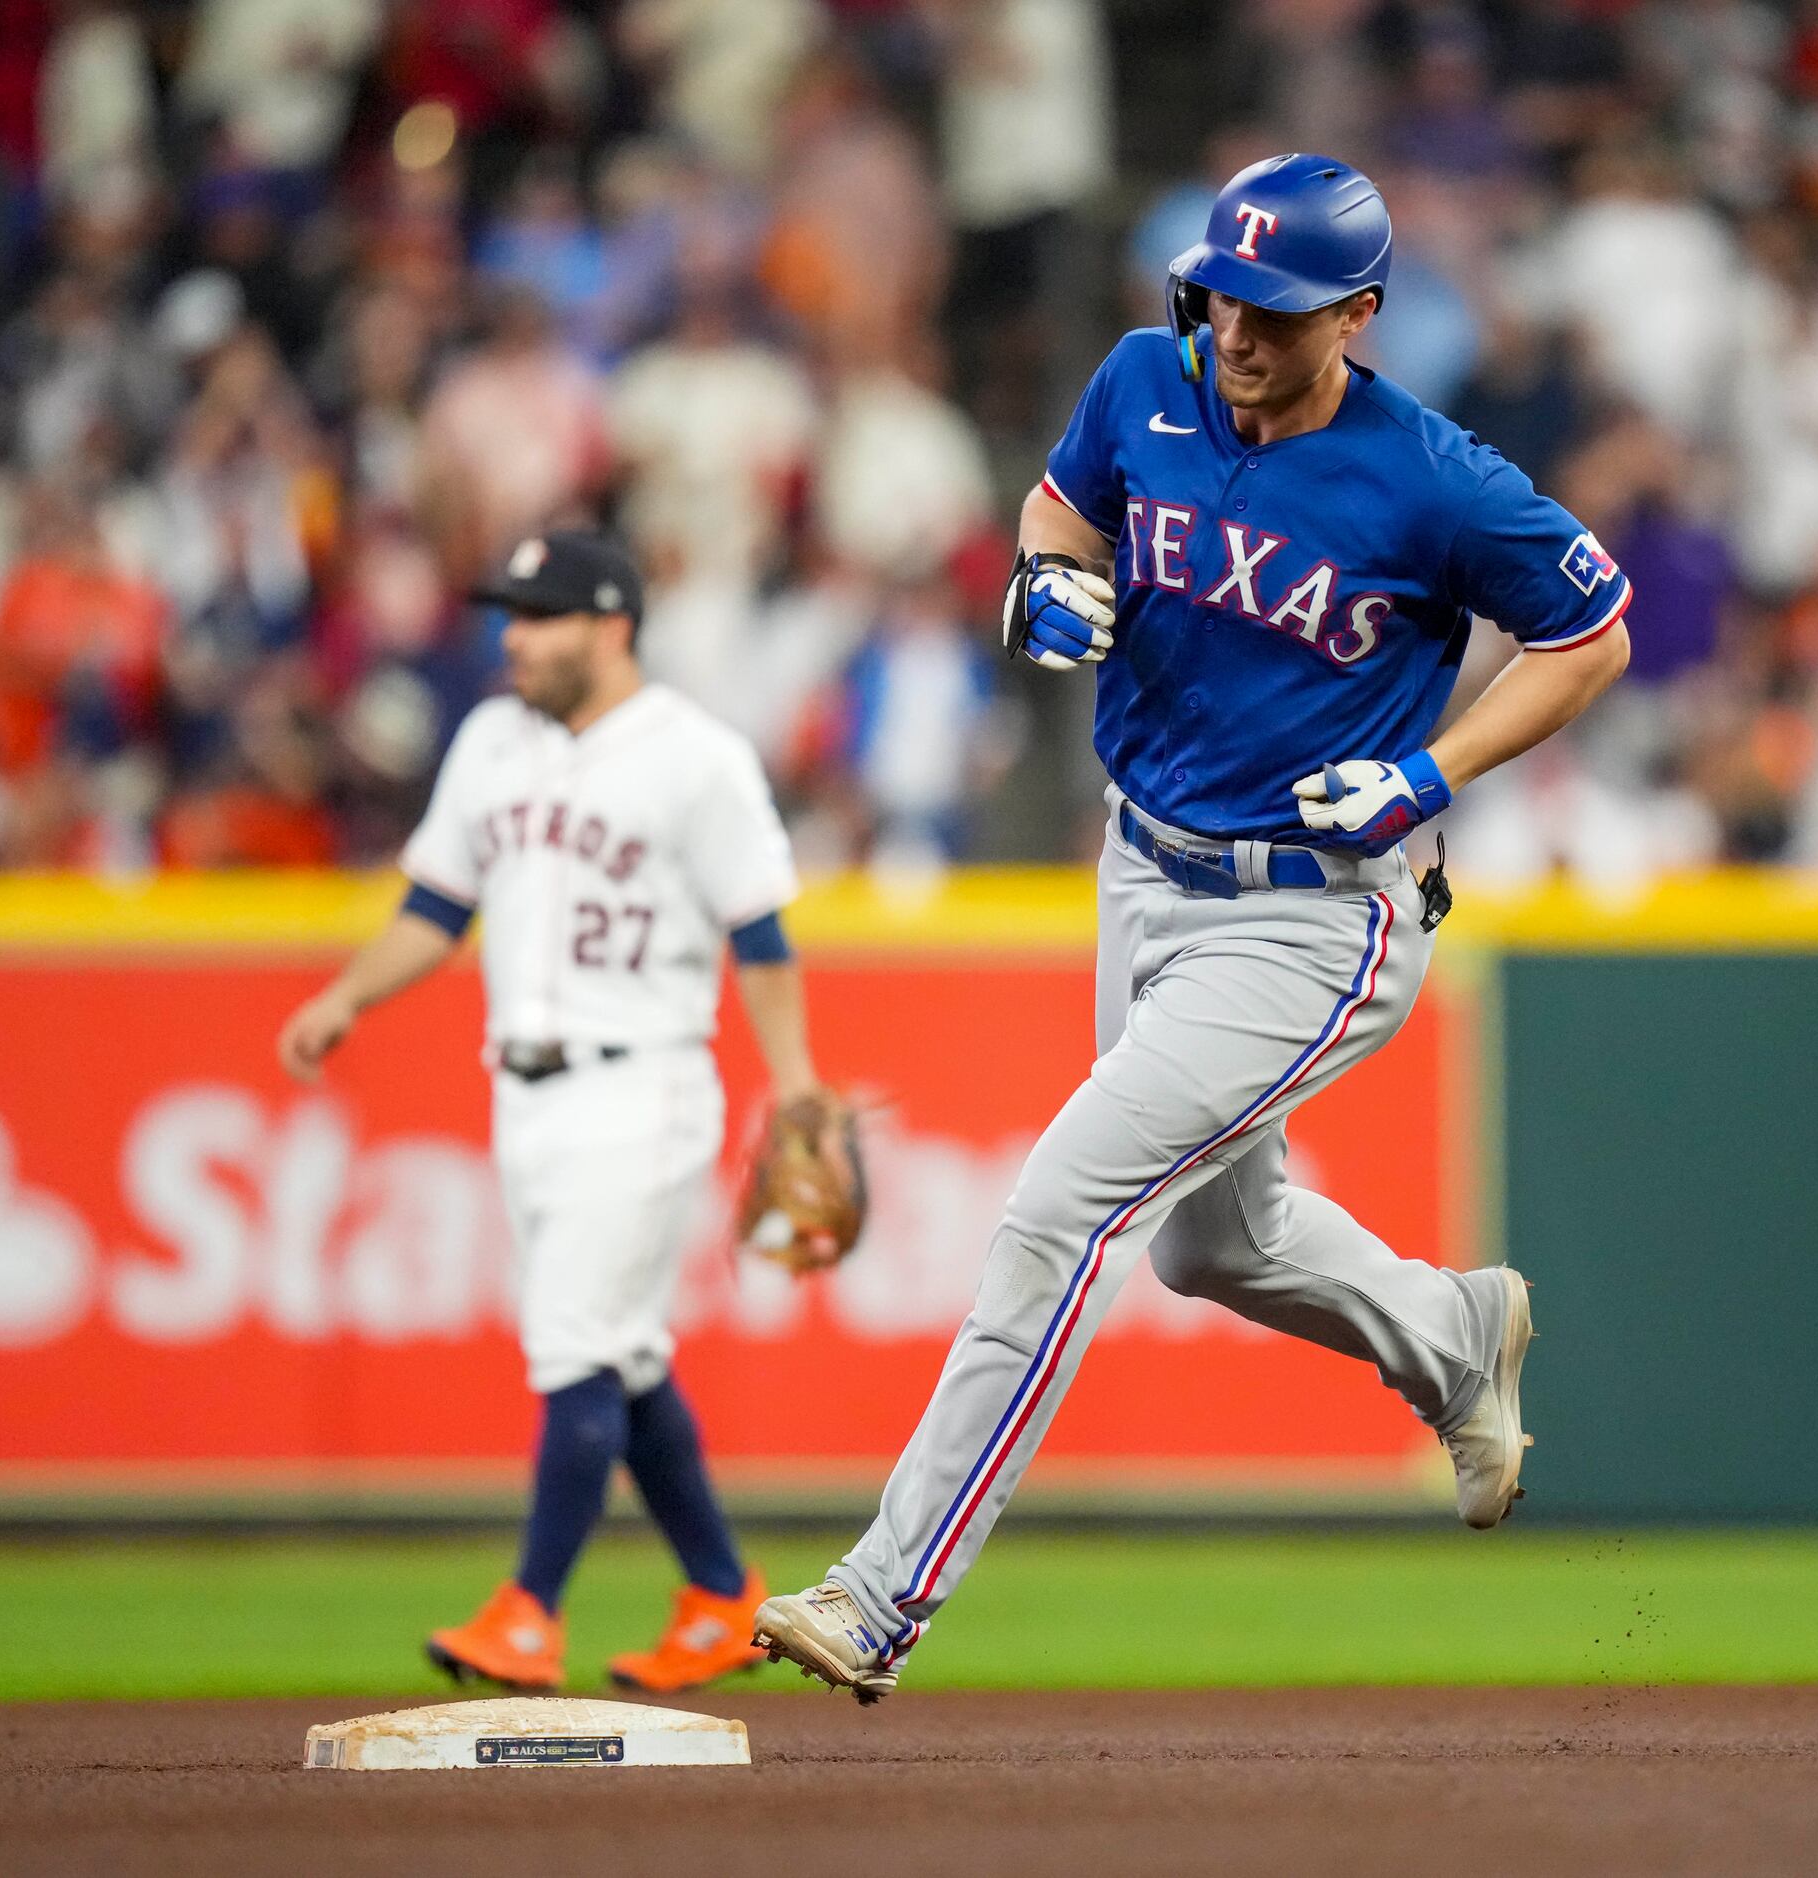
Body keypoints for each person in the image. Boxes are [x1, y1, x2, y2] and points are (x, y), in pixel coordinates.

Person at [753, 154, 1634, 1701]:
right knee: (1211, 1243)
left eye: (1275, 310)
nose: (1234, 329)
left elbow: (1589, 632)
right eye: (1218, 294)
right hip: (1143, 862)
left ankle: (881, 1594)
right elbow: (1060, 506)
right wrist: (1043, 574)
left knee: (1062, 1210)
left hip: (1314, 911)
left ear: (1358, 314)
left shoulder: (1430, 474)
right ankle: (1449, 1329)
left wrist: (1434, 766)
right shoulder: (1141, 381)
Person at [276, 527, 835, 1695]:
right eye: (511, 614)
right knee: (622, 1359)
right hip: (521, 1089)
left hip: (644, 1082)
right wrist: (345, 999)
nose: (514, 636)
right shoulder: (490, 741)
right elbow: (436, 906)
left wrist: (793, 1081)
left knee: (577, 1349)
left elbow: (760, 931)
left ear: (612, 624)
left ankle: (529, 1612)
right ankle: (723, 1597)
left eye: (540, 616)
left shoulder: (695, 755)